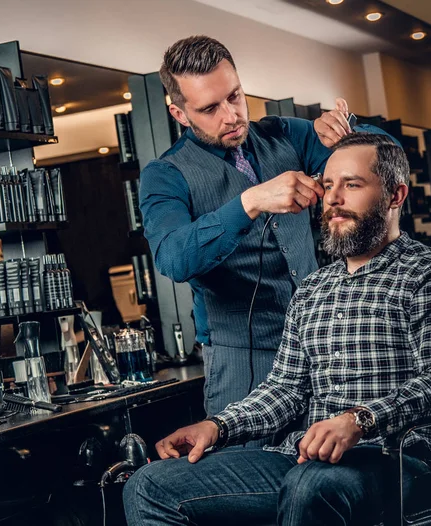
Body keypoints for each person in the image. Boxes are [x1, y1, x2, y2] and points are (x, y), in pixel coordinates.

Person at [124, 133, 431, 526]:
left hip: (403, 459)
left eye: (352, 185)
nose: (334, 199)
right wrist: (216, 426)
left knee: (311, 487)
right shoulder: (313, 288)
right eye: (328, 185)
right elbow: (286, 390)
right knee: (148, 485)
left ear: (396, 196)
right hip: (307, 460)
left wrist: (357, 421)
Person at [140, 35, 389, 416]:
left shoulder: (284, 134)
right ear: (180, 114)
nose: (232, 115)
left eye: (235, 96)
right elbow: (173, 258)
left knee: (324, 468)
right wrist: (250, 201)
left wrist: (352, 136)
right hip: (241, 362)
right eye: (209, 108)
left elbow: (390, 160)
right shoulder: (165, 175)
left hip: (322, 348)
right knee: (247, 470)